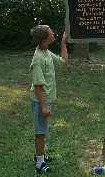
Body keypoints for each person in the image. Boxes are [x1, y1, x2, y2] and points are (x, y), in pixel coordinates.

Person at [29, 25, 69, 174]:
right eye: (51, 32)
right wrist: (44, 106)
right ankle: (40, 163)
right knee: (40, 133)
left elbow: (64, 62)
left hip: (47, 99)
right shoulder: (38, 59)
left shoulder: (45, 51)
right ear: (45, 40)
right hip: (41, 101)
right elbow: (38, 85)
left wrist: (63, 43)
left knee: (42, 130)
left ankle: (39, 155)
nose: (54, 33)